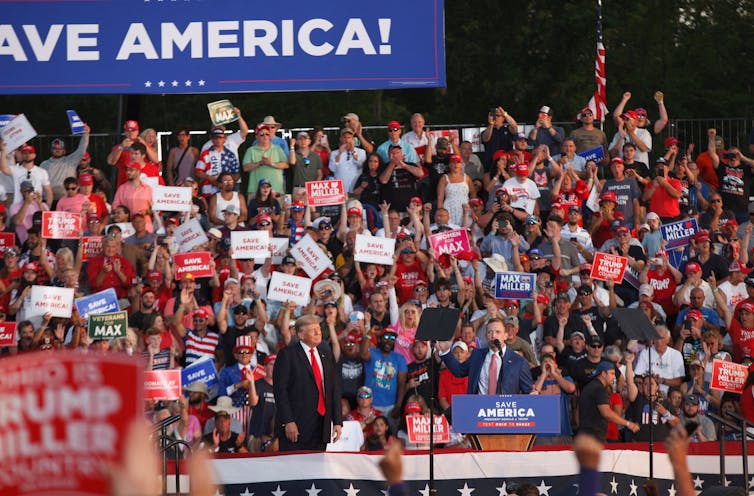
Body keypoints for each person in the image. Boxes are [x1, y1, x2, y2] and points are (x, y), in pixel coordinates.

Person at [273, 314, 342, 451]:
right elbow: (280, 391)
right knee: (295, 470)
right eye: (312, 330)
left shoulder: (326, 353)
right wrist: (288, 421)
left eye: (318, 329)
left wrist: (337, 421)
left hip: (321, 426)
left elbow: (333, 389)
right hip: (296, 427)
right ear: (301, 334)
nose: (318, 333)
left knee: (318, 470)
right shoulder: (287, 355)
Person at [438, 317, 534, 395]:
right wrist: (445, 351)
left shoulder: (519, 362)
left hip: (504, 415)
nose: (493, 336)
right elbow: (459, 371)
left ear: (505, 336)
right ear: (486, 336)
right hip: (478, 411)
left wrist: (533, 394)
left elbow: (529, 391)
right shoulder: (477, 355)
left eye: (497, 332)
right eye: (489, 332)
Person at [578, 361, 639, 442]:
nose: (614, 377)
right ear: (603, 374)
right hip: (594, 437)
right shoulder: (599, 389)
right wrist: (628, 424)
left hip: (586, 435)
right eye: (612, 374)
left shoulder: (590, 386)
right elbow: (606, 413)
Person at [40, 126, 90, 201]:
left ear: (64, 150)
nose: (57, 150)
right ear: (51, 150)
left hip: (68, 199)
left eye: (60, 148)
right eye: (55, 148)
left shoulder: (71, 160)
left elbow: (82, 149)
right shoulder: (44, 164)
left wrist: (86, 134)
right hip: (48, 200)